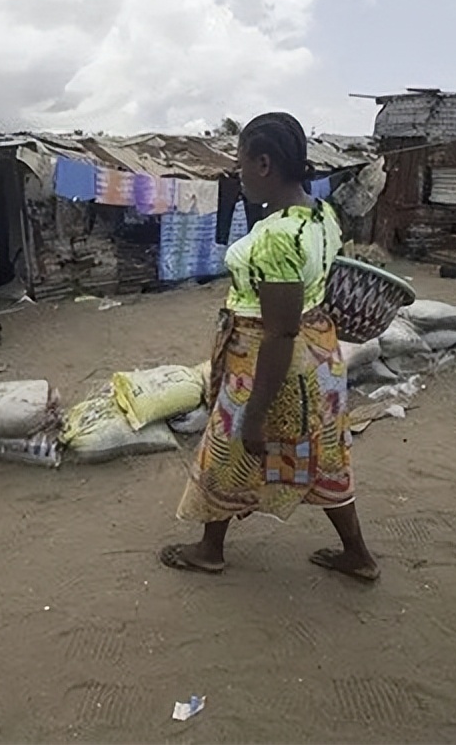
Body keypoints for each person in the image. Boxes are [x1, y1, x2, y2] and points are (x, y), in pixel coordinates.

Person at [159, 112, 380, 582]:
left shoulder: (279, 238)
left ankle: (209, 550)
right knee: (324, 455)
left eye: (240, 163)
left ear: (263, 164)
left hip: (268, 362)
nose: (237, 174)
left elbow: (280, 331)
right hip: (319, 357)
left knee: (227, 451)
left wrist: (256, 413)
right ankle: (357, 554)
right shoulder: (319, 214)